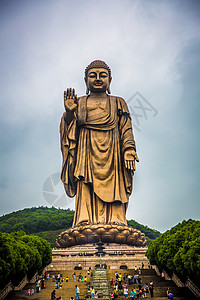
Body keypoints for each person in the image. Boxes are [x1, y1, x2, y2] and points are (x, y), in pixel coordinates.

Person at [60, 60, 139, 226]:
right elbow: (68, 129)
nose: (97, 78)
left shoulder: (118, 102)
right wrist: (69, 113)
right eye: (92, 75)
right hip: (86, 151)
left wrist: (129, 150)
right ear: (85, 81)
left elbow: (126, 128)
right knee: (85, 182)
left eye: (102, 75)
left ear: (110, 80)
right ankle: (84, 219)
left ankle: (116, 219)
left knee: (116, 184)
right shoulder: (79, 102)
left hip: (113, 153)